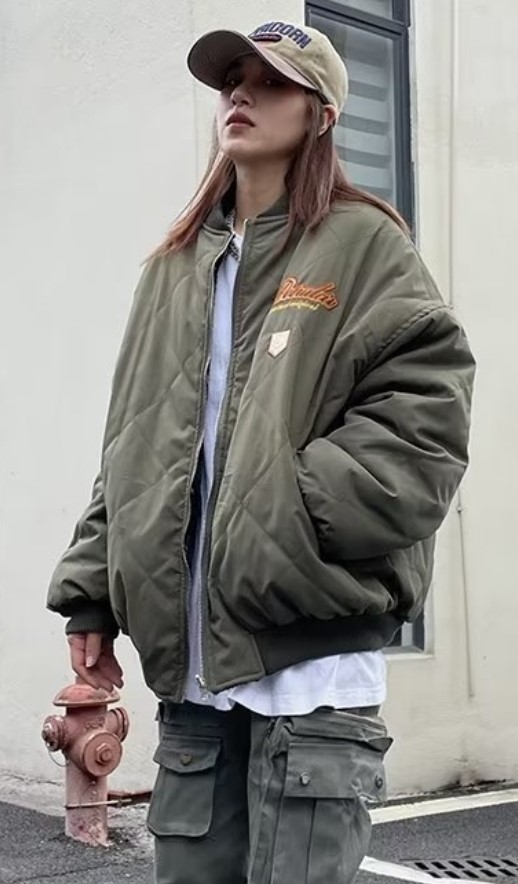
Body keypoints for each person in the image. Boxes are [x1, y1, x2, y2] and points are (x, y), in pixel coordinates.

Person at [47, 20, 475, 884]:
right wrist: (91, 592)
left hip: (310, 660)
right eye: (231, 81)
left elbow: (423, 426)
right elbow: (129, 444)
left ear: (322, 114)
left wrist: (282, 517)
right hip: (193, 663)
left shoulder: (365, 246)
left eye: (272, 81)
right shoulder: (172, 268)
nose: (240, 94)